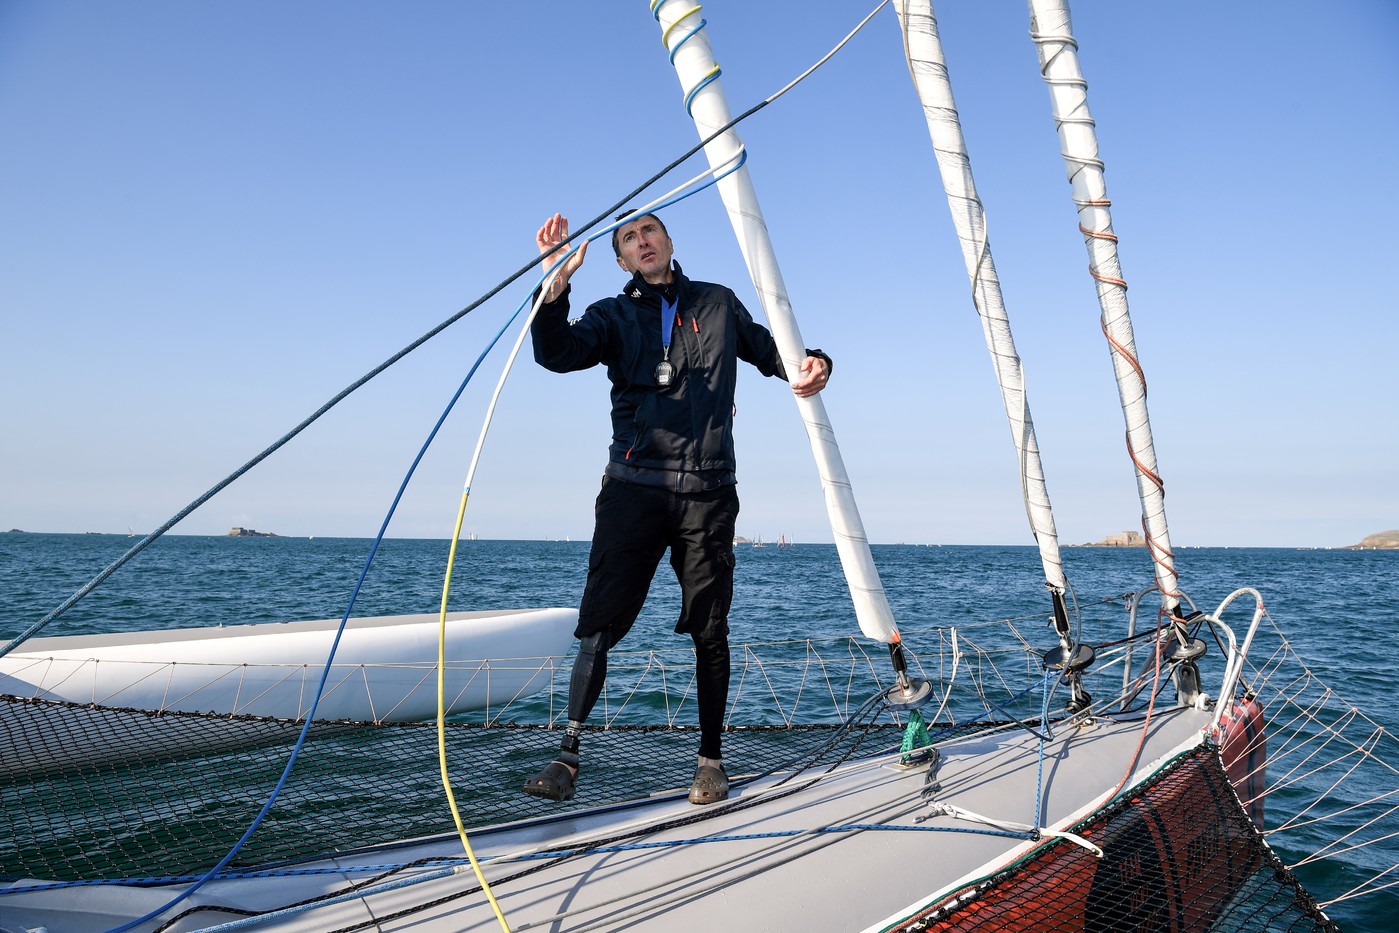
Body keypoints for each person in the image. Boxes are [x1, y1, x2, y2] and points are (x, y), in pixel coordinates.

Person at [523, 211, 832, 805]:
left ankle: (710, 763)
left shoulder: (718, 303)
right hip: (632, 490)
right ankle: (567, 756)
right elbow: (557, 352)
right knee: (598, 626)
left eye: (650, 232)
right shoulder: (611, 315)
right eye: (629, 240)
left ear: (669, 241)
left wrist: (818, 361)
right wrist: (554, 283)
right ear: (619, 262)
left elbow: (777, 356)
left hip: (709, 494)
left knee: (710, 629)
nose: (642, 242)